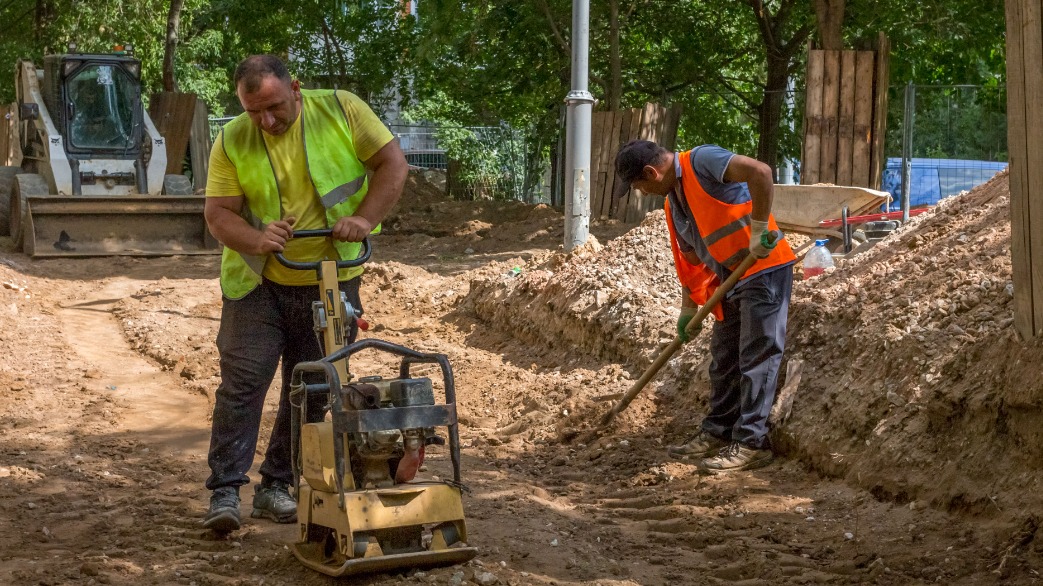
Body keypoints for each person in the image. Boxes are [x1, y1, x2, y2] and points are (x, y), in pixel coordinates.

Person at [201, 55, 408, 532]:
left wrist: (364, 219)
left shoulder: (342, 109)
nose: (265, 121)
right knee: (245, 379)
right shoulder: (232, 138)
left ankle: (277, 484)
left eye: (274, 107)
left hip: (331, 272)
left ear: (295, 88)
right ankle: (226, 490)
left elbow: (391, 165)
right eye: (254, 112)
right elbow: (218, 214)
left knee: (313, 385)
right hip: (258, 279)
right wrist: (257, 239)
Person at [613, 140, 796, 473]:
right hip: (729, 276)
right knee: (724, 358)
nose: (640, 193)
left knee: (757, 355)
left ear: (652, 173)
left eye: (638, 186)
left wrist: (758, 228)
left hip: (762, 268)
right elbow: (691, 263)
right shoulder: (673, 204)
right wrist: (688, 308)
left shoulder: (702, 161)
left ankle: (751, 443)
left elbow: (761, 172)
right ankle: (718, 431)